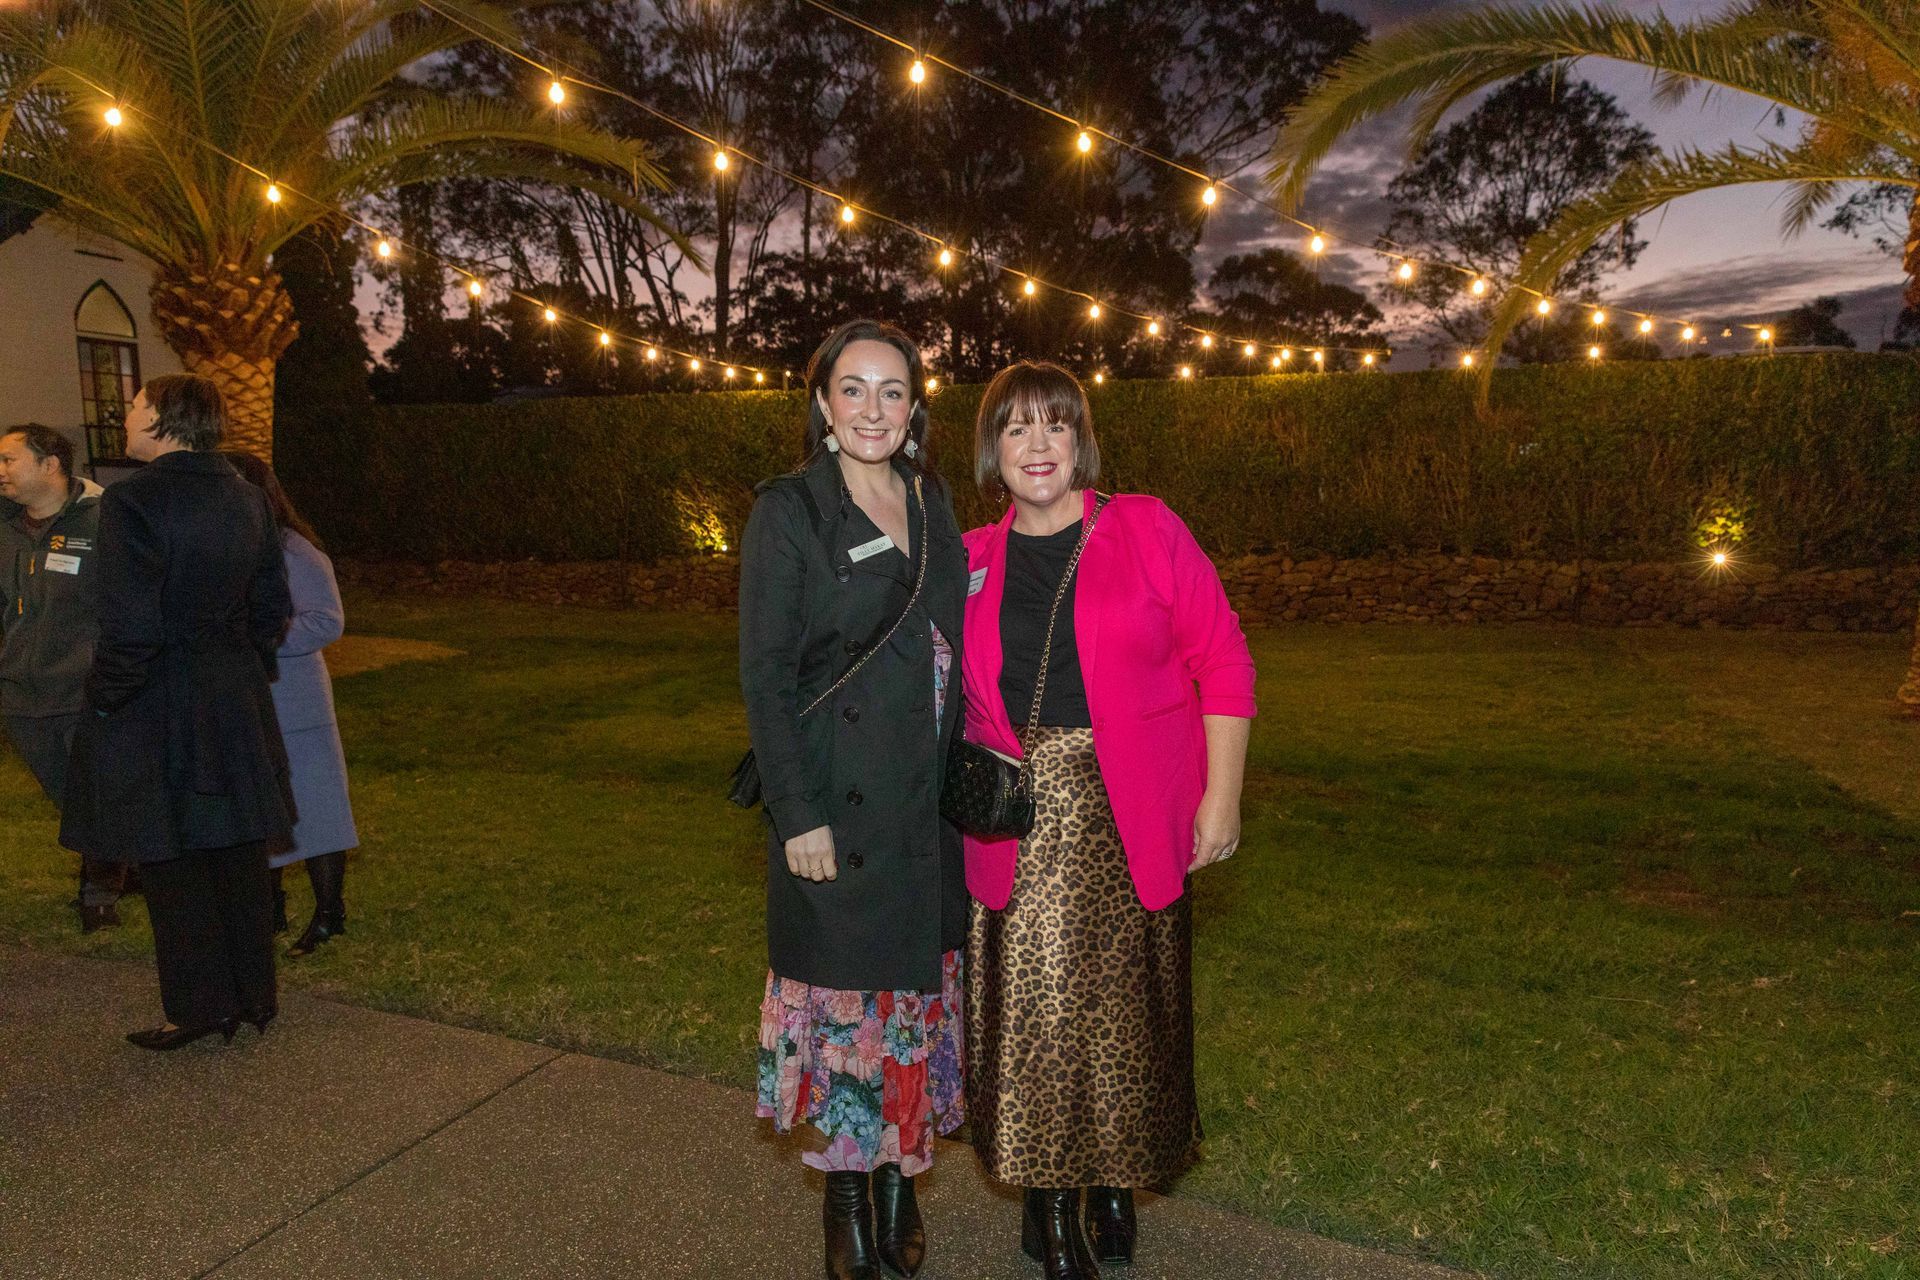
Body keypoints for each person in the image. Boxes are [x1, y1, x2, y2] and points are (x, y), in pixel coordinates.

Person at [956, 362, 1256, 1280]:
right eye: (1017, 429)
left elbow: (1226, 663)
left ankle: (1115, 1180)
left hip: (1134, 812)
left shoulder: (1149, 528)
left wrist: (1222, 794)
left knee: (1129, 1014)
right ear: (993, 451)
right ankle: (1051, 1214)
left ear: (1081, 441)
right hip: (1017, 819)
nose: (1037, 445)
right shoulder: (967, 558)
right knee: (1040, 1018)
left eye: (1055, 425)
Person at [739, 320, 969, 1280]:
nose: (875, 409)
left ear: (915, 407)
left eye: (893, 391)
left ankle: (898, 1179)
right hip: (836, 801)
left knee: (910, 1004)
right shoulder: (790, 510)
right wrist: (798, 814)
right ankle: (845, 1186)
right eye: (854, 389)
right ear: (823, 403)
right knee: (844, 1009)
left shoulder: (935, 498)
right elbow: (765, 674)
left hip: (924, 807)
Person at [59, 375, 294, 1051]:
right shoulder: (247, 497)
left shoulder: (134, 499)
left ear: (163, 418)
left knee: (173, 855)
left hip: (160, 697)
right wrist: (230, 660)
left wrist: (105, 699)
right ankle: (252, 997)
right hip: (232, 695)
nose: (123, 415)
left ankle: (197, 1008)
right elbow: (271, 608)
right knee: (234, 847)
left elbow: (130, 625)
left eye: (133, 406)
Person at [224, 451, 356, 957]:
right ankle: (271, 907)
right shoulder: (233, 547)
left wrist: (258, 640)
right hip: (248, 700)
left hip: (295, 703)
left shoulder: (296, 552)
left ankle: (329, 913)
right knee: (262, 807)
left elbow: (326, 621)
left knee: (318, 809)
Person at [0, 424, 129, 931]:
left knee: (94, 794)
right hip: (20, 695)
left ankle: (99, 893)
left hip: (85, 691)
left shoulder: (103, 522)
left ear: (50, 464)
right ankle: (122, 861)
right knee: (69, 797)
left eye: (10, 460)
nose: (1, 471)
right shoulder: (4, 528)